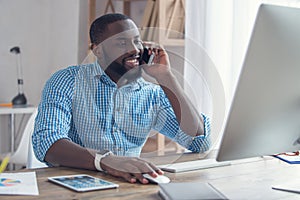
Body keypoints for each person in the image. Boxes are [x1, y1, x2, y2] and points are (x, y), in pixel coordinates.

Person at [32, 13, 211, 184]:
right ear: (98, 50)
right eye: (121, 43)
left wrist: (166, 77)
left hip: (129, 185)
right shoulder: (67, 81)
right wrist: (106, 161)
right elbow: (47, 142)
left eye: (137, 41)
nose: (134, 49)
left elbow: (199, 141)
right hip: (74, 185)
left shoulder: (151, 95)